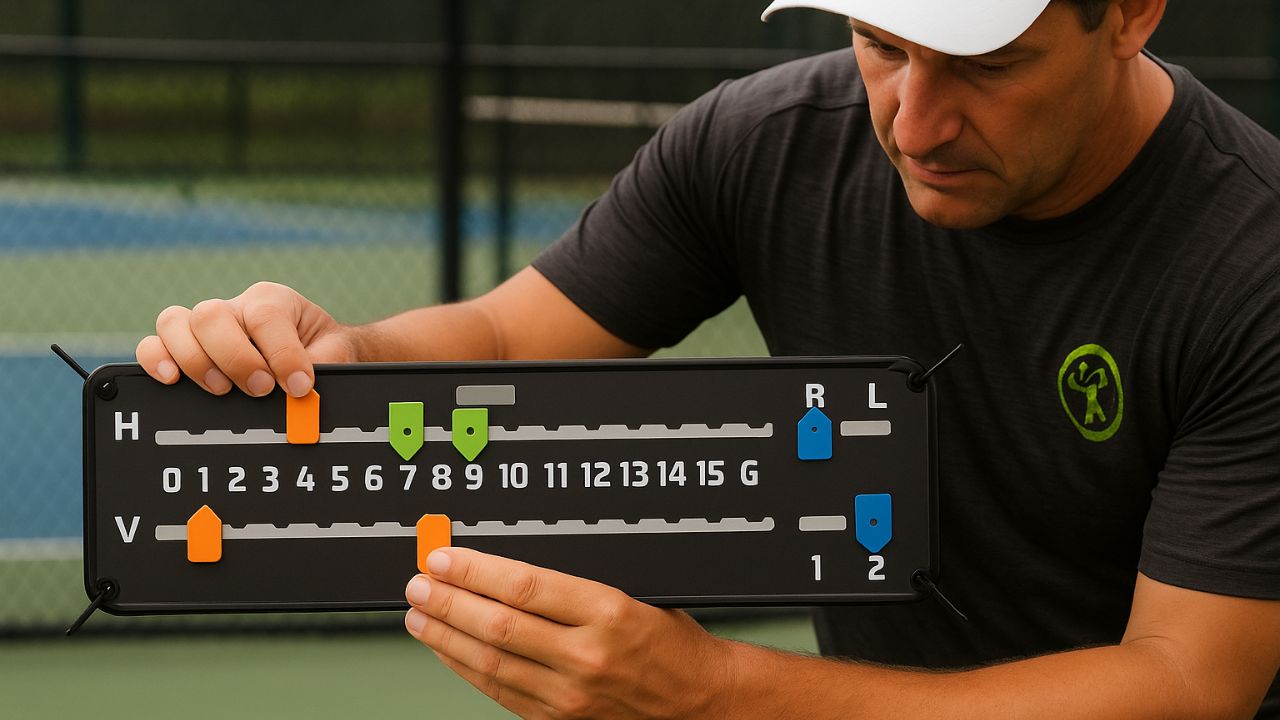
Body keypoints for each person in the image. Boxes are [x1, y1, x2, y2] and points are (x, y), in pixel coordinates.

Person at [136, 0, 1280, 716]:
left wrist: (714, 692)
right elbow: (504, 339)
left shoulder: (1253, 262)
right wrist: (332, 350)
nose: (915, 122)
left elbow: (1181, 683)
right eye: (880, 46)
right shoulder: (762, 140)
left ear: (1131, 11)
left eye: (985, 67)